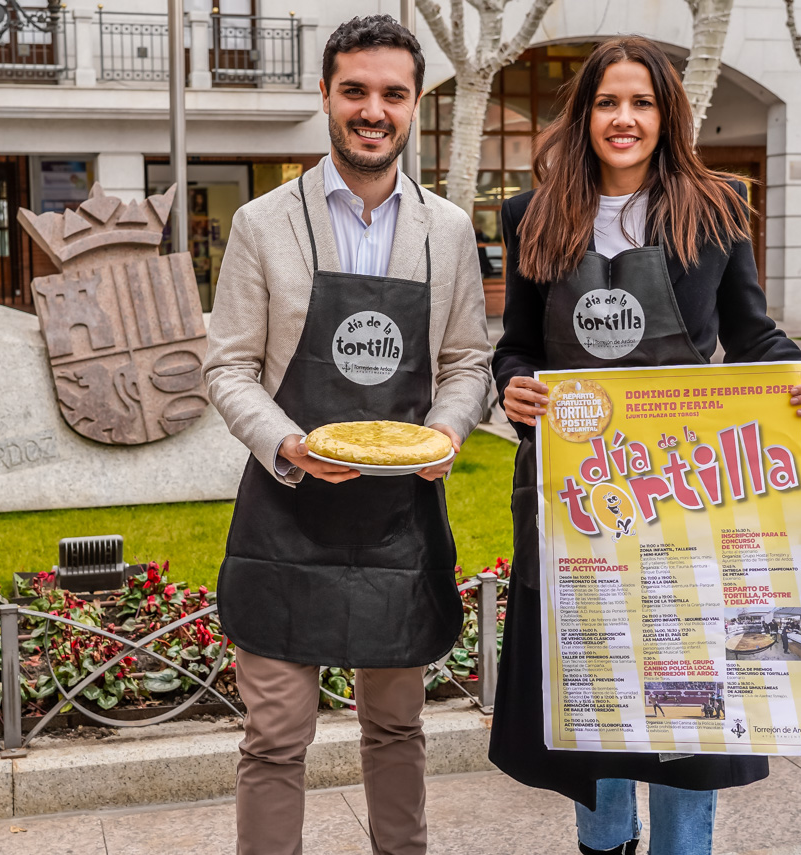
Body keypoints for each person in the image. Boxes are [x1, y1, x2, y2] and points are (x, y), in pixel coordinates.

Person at [488, 36, 801, 855]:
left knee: (691, 706)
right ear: (584, 114)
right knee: (595, 695)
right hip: (580, 500)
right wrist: (515, 387)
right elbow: (515, 347)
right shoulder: (532, 213)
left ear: (667, 115)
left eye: (641, 103)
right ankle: (605, 842)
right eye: (608, 102)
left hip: (687, 500)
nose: (624, 119)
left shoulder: (715, 206)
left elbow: (754, 335)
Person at [203, 15, 492, 855]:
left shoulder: (446, 229)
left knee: (396, 729)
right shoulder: (264, 223)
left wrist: (443, 431)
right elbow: (227, 369)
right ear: (326, 96)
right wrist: (290, 445)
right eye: (356, 90)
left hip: (398, 522)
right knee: (275, 736)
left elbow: (469, 360)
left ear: (413, 104)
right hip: (286, 514)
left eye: (393, 94)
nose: (374, 109)